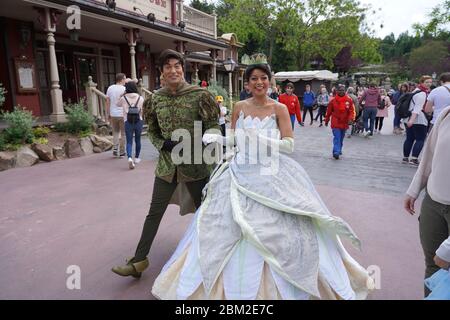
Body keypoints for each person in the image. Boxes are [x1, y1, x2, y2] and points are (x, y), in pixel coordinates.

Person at [151, 63, 373, 300]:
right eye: (254, 78)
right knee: (218, 225)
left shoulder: (279, 109)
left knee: (288, 227)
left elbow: (289, 144)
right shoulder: (238, 106)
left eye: (263, 78)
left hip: (271, 171)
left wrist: (262, 140)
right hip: (238, 171)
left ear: (270, 82)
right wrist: (218, 138)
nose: (259, 82)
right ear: (247, 83)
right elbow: (236, 138)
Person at [112, 49, 220, 278]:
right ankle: (138, 261)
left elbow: (213, 124)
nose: (173, 70)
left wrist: (209, 138)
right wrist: (163, 145)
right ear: (161, 72)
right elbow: (152, 131)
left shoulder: (200, 95)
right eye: (168, 66)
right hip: (166, 167)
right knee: (154, 212)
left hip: (196, 164)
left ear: (183, 68)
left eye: (177, 65)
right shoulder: (155, 99)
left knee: (205, 212)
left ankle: (216, 254)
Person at [404, 106, 450, 298]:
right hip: (434, 201)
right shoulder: (447, 113)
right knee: (433, 264)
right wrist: (415, 189)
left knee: (443, 259)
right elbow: (429, 156)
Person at [402, 76, 432, 166]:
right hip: (418, 118)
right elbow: (417, 108)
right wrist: (412, 120)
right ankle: (414, 158)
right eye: (427, 82)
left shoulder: (415, 90)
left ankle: (405, 157)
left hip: (408, 116)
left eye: (430, 82)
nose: (429, 84)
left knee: (409, 139)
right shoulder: (422, 93)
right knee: (420, 139)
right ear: (422, 82)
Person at [117, 81, 145, 169]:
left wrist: (122, 94)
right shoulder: (140, 98)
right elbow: (143, 109)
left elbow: (117, 104)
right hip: (138, 121)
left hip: (127, 121)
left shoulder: (123, 98)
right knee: (138, 140)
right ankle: (136, 158)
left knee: (129, 141)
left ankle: (129, 157)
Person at [324, 85, 355, 160]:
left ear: (345, 91)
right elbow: (328, 112)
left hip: (344, 122)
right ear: (337, 91)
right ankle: (336, 152)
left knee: (341, 137)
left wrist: (351, 119)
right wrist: (326, 120)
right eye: (340, 90)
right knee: (337, 137)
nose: (341, 91)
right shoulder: (333, 101)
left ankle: (339, 149)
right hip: (336, 122)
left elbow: (351, 111)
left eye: (343, 90)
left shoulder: (349, 100)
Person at [106, 73, 127, 157]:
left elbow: (107, 101)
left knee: (115, 132)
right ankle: (122, 151)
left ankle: (115, 148)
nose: (125, 81)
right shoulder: (124, 89)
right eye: (125, 79)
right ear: (121, 79)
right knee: (123, 133)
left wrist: (108, 113)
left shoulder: (110, 88)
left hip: (113, 113)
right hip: (122, 114)